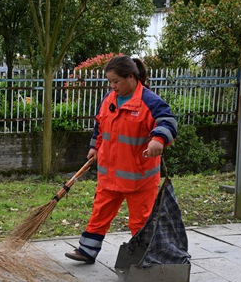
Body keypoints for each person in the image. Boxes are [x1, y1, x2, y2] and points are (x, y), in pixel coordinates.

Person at [65, 55, 178, 264]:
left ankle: (144, 257)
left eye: (116, 81)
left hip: (139, 179)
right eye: (110, 82)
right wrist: (94, 147)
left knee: (141, 221)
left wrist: (158, 139)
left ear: (131, 77)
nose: (112, 86)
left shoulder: (149, 101)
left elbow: (168, 122)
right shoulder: (109, 99)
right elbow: (100, 126)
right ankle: (87, 251)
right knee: (99, 214)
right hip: (109, 175)